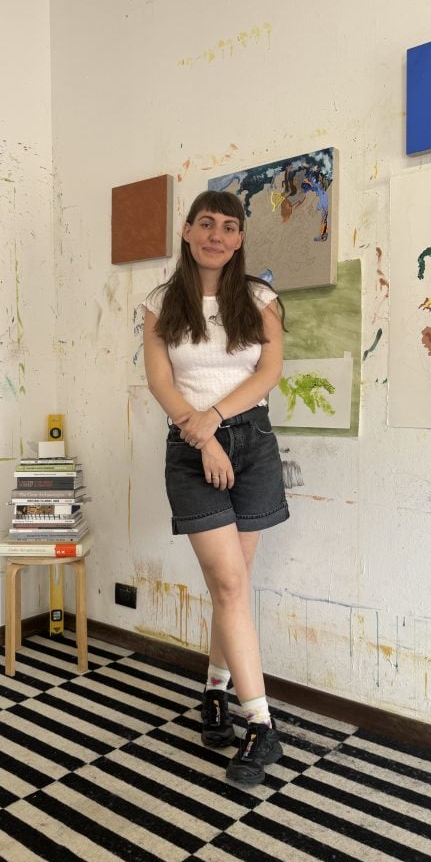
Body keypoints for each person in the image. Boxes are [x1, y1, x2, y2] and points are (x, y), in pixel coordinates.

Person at [142, 189, 290, 785]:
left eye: (230, 227)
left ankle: (213, 693)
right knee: (229, 585)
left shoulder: (258, 298)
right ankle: (261, 725)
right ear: (186, 229)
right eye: (207, 224)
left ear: (239, 239)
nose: (218, 236)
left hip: (252, 445)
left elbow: (270, 370)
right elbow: (159, 379)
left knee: (232, 588)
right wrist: (202, 436)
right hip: (190, 448)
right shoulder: (160, 303)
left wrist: (219, 422)